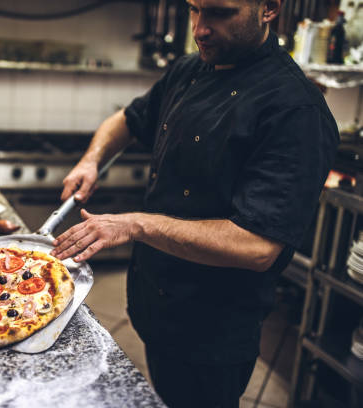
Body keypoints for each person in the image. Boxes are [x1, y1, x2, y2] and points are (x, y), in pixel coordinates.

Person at [50, 0, 339, 407]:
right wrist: (91, 160)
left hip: (211, 330)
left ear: (269, 10)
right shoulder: (190, 69)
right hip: (156, 306)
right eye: (194, 9)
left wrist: (135, 225)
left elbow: (258, 247)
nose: (200, 28)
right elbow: (129, 120)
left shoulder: (295, 110)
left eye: (220, 12)